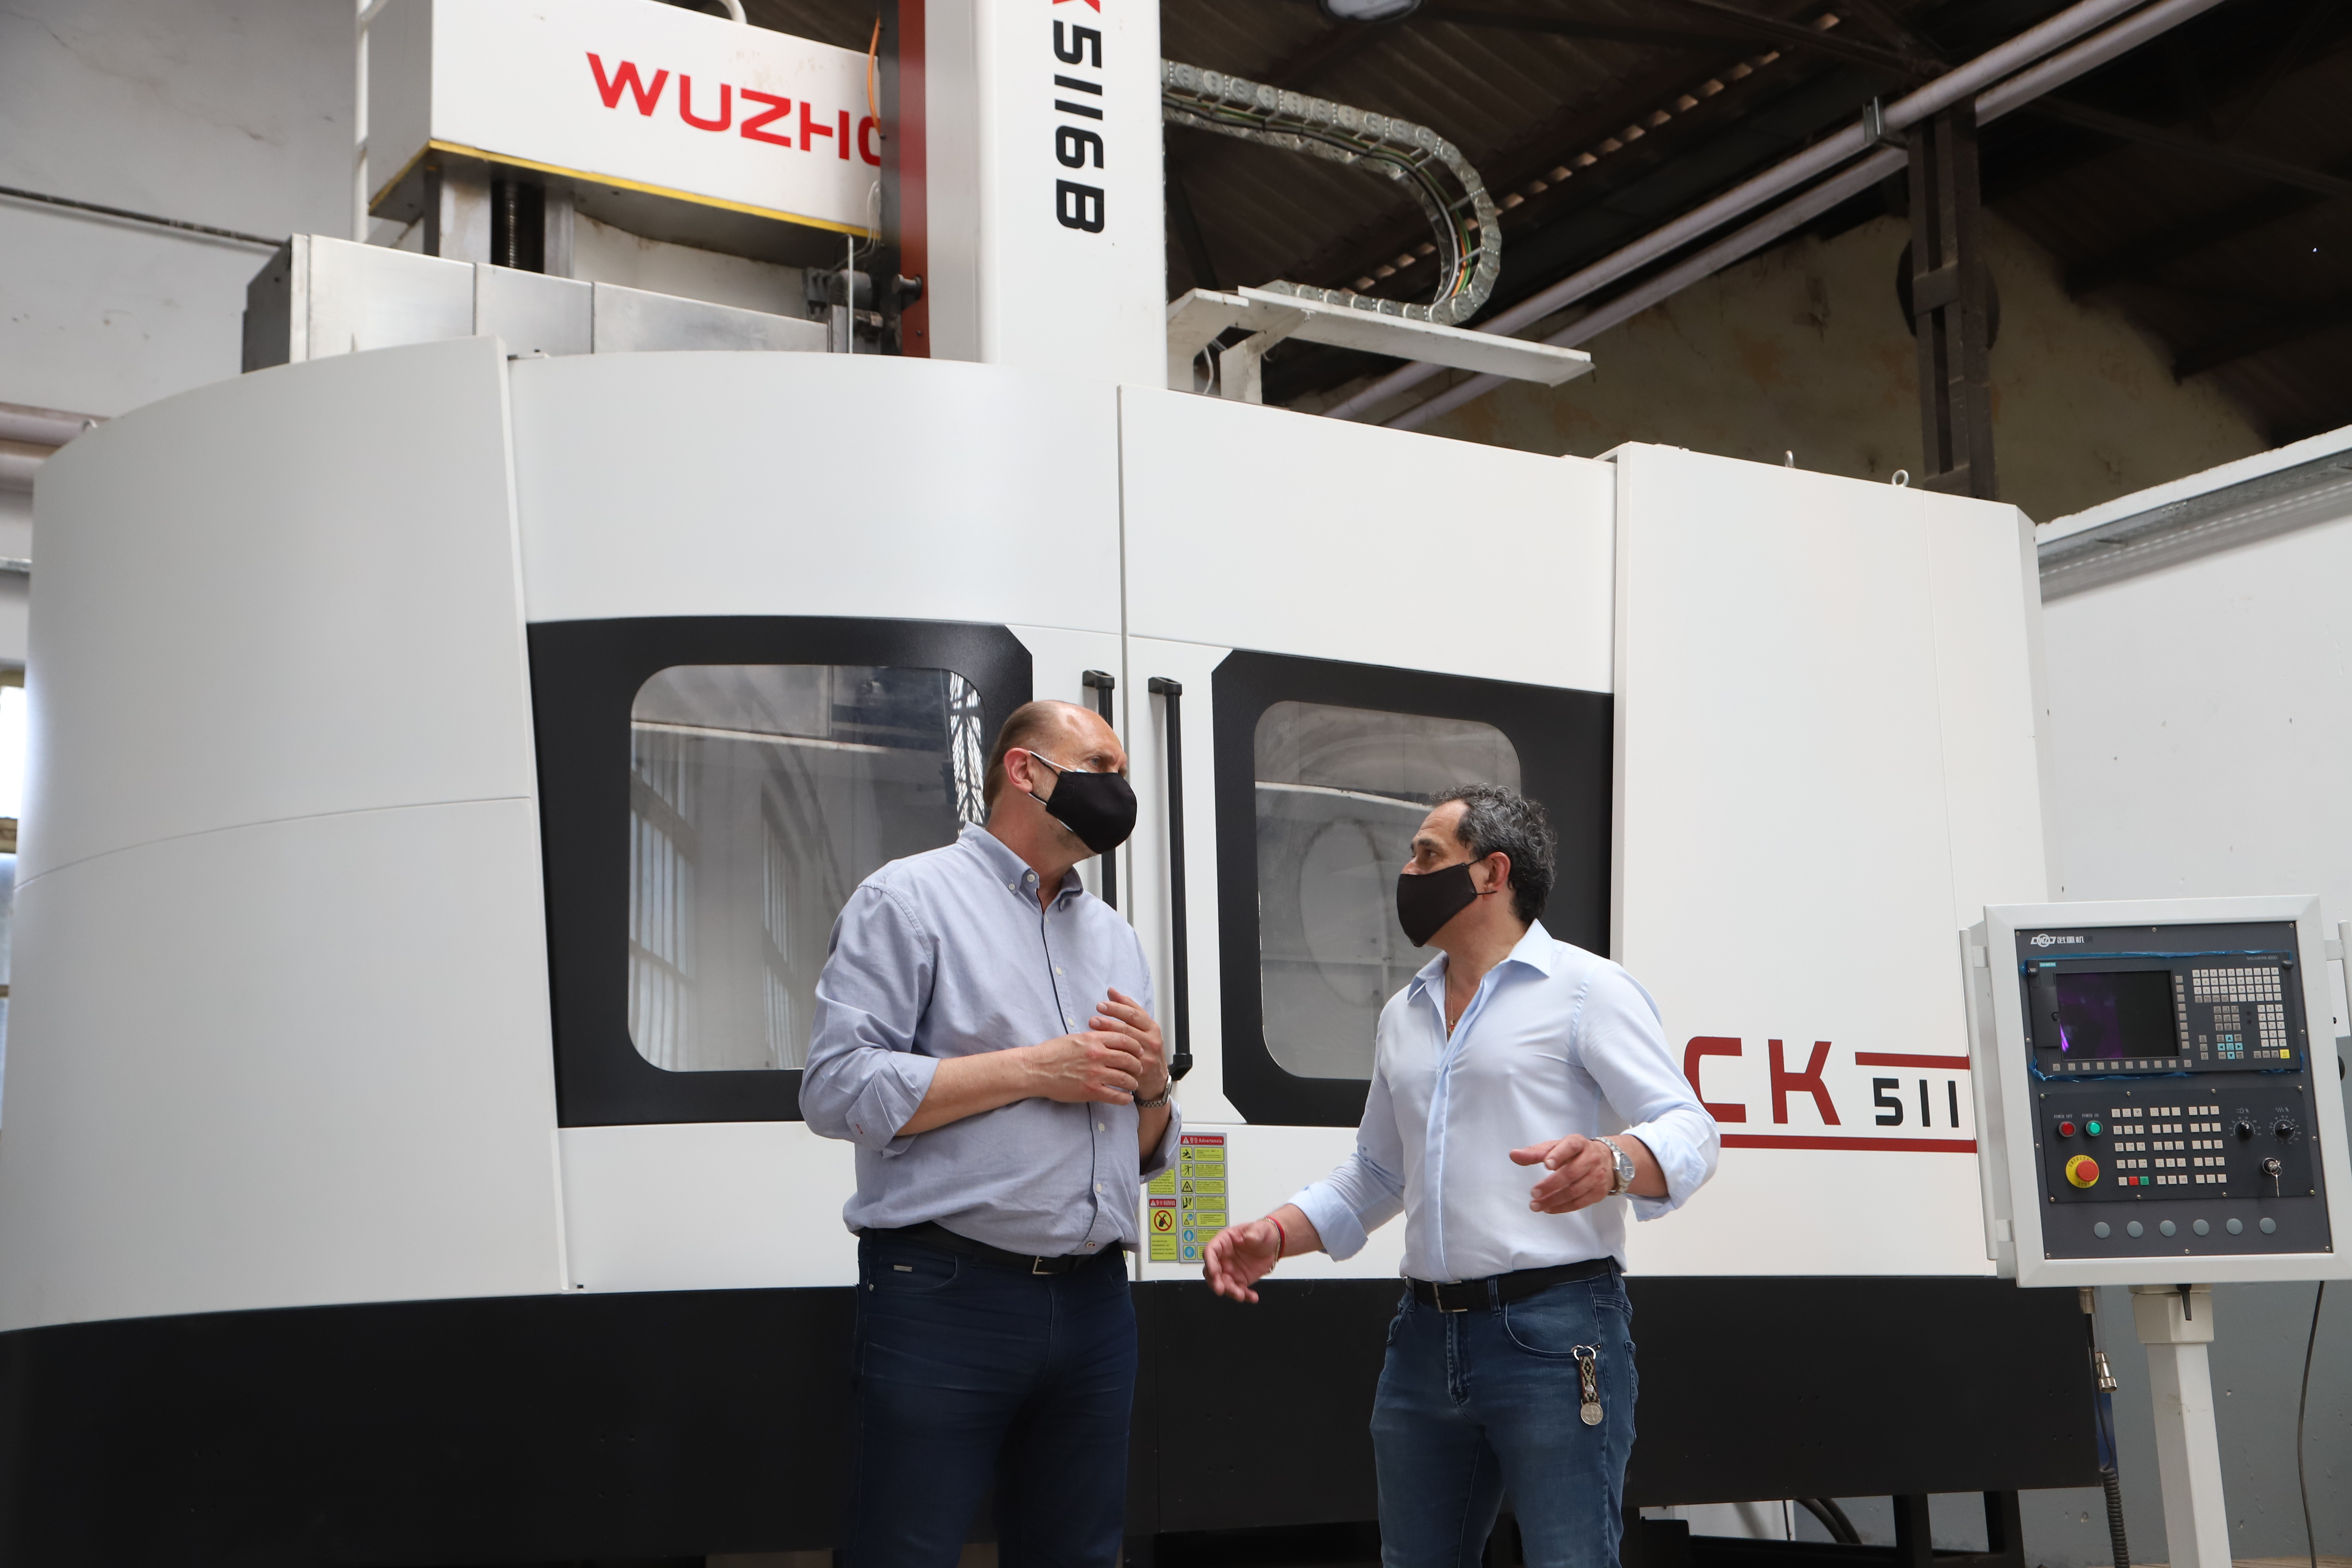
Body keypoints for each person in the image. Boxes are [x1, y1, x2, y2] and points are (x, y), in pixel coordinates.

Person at [1202, 782, 1717, 1568]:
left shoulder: (1588, 990)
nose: (1407, 873)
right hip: (1422, 1340)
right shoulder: (1403, 1013)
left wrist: (1615, 1162)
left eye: (1427, 854)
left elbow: (1691, 1129)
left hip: (1556, 1335)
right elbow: (1378, 1172)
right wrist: (1277, 1234)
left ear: (1492, 873)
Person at [800, 698, 1178, 1568]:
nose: (1120, 790)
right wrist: (1036, 1069)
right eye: (1102, 767)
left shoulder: (1116, 939)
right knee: (905, 1552)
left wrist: (1154, 1086)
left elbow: (1140, 1150)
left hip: (1096, 1304)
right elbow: (836, 1088)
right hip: (946, 1293)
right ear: (1025, 770)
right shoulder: (908, 900)